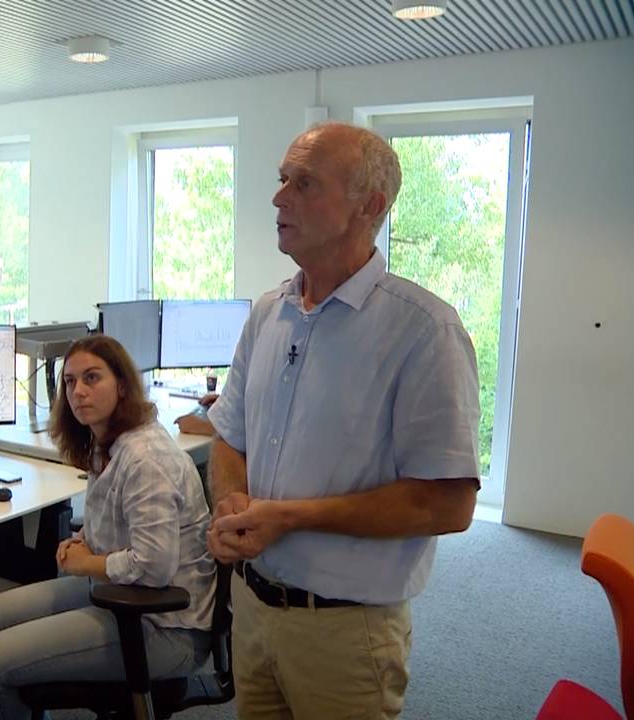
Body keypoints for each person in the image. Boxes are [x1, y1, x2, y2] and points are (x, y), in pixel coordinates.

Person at [205, 122, 480, 720]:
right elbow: (230, 435)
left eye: (305, 183)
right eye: (282, 180)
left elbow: (448, 505)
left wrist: (291, 518)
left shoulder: (424, 331)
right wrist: (232, 500)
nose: (279, 198)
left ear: (370, 206)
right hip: (251, 610)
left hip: (345, 631)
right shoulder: (267, 314)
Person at [0, 334, 215, 720]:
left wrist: (85, 564)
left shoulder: (145, 458)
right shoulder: (108, 442)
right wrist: (84, 539)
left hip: (164, 625)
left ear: (121, 384)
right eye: (69, 381)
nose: (78, 391)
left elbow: (153, 567)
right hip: (121, 593)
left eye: (91, 378)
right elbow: (121, 520)